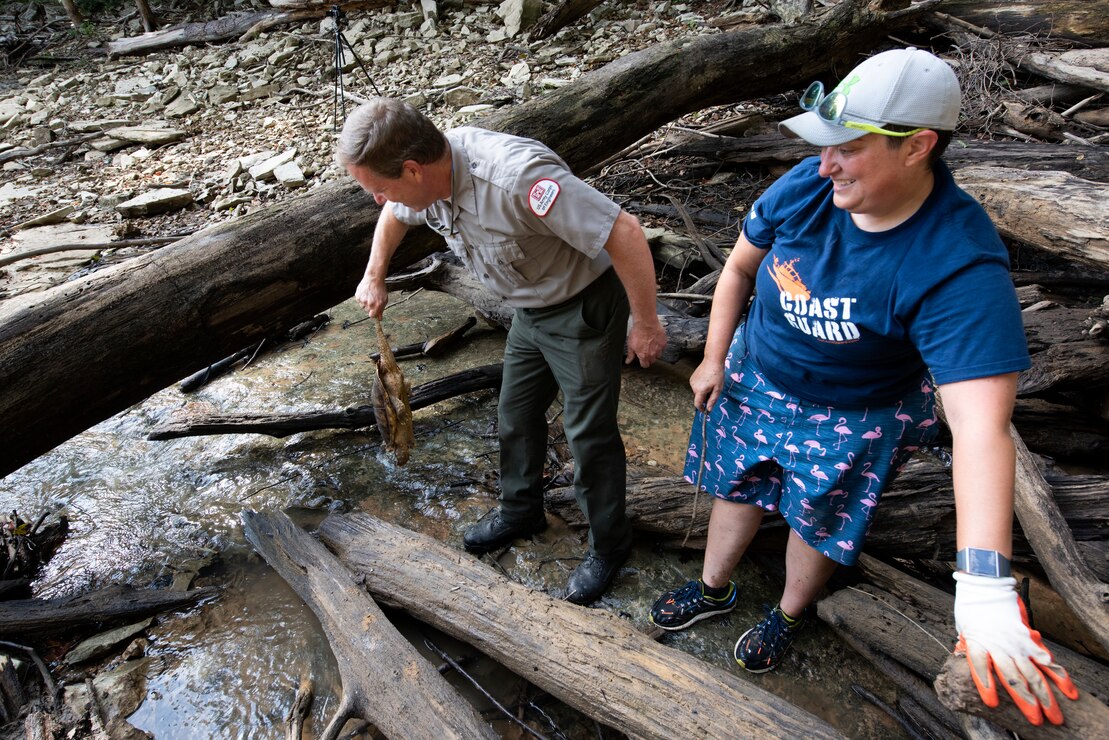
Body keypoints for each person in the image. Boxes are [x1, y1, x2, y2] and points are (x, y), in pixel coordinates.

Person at [649, 48, 1079, 726]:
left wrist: (984, 589)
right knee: (735, 488)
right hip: (756, 378)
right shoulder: (808, 186)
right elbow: (735, 272)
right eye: (823, 147)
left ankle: (787, 614)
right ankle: (714, 586)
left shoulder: (955, 263)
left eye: (846, 148)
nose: (825, 164)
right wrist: (711, 358)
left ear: (918, 148)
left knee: (816, 523)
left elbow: (978, 428)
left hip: (856, 414)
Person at [337, 98, 667, 605]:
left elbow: (623, 232)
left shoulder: (516, 179)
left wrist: (645, 323)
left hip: (583, 307)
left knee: (588, 435)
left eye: (379, 189)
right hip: (529, 311)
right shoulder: (425, 178)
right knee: (514, 415)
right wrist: (373, 274)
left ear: (411, 169)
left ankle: (609, 544)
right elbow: (394, 218)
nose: (379, 201)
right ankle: (521, 510)